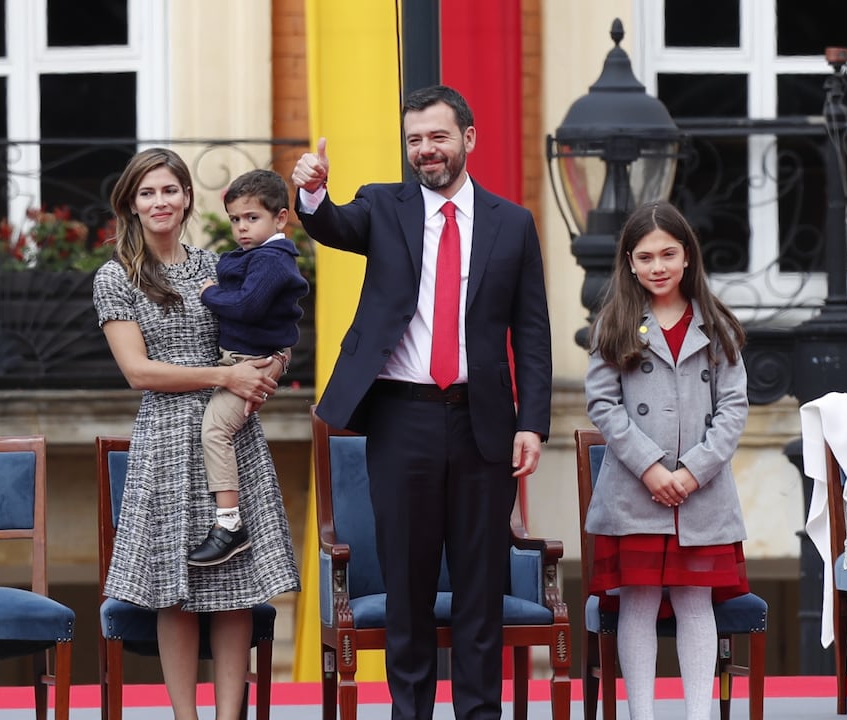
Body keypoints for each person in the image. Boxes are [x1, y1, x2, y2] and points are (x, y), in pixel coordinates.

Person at [290, 84, 552, 720]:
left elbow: (533, 332)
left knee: (479, 586)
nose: (425, 150)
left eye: (437, 137)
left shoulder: (512, 223)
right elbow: (331, 225)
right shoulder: (383, 206)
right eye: (414, 140)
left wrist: (533, 424)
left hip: (482, 423)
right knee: (406, 583)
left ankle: (478, 715)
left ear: (468, 138)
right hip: (401, 416)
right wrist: (311, 192)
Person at [93, 148, 301, 720]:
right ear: (131, 205)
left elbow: (274, 323)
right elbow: (138, 372)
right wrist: (225, 374)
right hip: (165, 435)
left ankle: (228, 716)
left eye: (169, 190)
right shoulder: (118, 276)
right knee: (174, 588)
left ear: (187, 198)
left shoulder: (222, 263)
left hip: (230, 434)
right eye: (147, 193)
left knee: (235, 588)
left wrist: (271, 367)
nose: (160, 202)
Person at [583, 200, 750, 720]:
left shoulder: (717, 324)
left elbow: (734, 408)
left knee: (694, 600)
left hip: (701, 493)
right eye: (646, 256)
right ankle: (642, 715)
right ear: (629, 262)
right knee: (636, 600)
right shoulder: (614, 323)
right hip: (636, 490)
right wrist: (653, 468)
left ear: (687, 257)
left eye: (669, 254)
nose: (658, 266)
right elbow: (603, 404)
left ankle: (699, 713)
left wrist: (692, 470)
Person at [188, 169, 309, 567]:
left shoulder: (272, 262)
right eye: (235, 219)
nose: (241, 227)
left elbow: (246, 306)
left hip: (246, 365)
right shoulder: (258, 257)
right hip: (243, 361)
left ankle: (229, 525)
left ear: (280, 218)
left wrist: (210, 294)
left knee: (215, 432)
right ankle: (227, 522)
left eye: (251, 218)